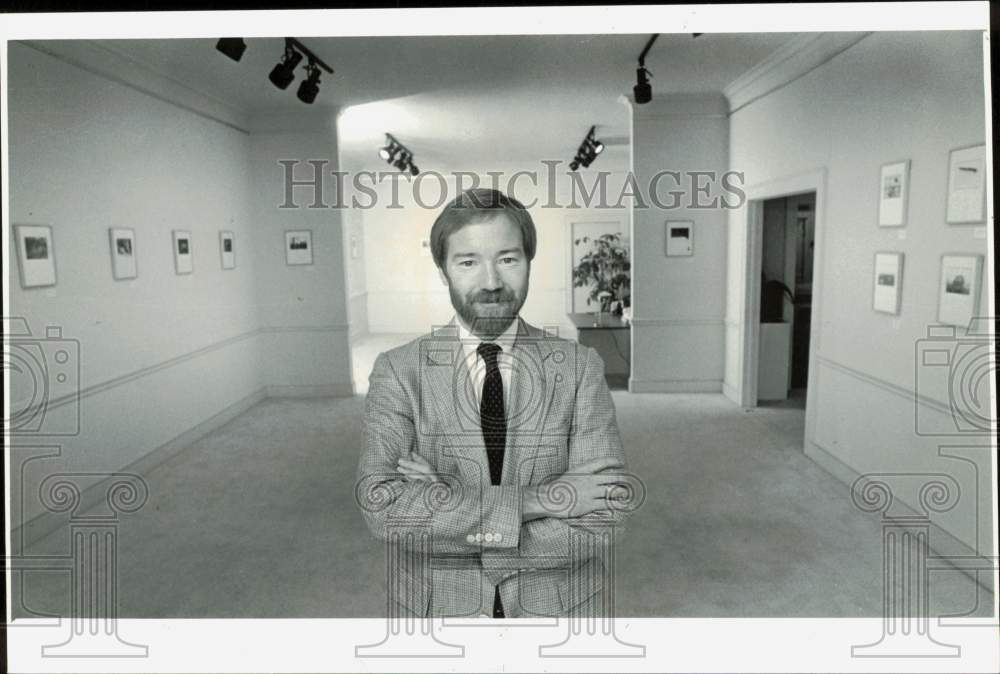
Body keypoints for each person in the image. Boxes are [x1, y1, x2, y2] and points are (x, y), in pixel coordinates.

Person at [356, 187, 633, 619]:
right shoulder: (398, 371)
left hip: (558, 612)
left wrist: (450, 502)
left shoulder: (580, 368)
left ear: (528, 262)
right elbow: (385, 510)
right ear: (443, 270)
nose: (491, 282)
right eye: (468, 262)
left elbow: (606, 514)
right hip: (439, 612)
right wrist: (533, 502)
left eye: (508, 259)